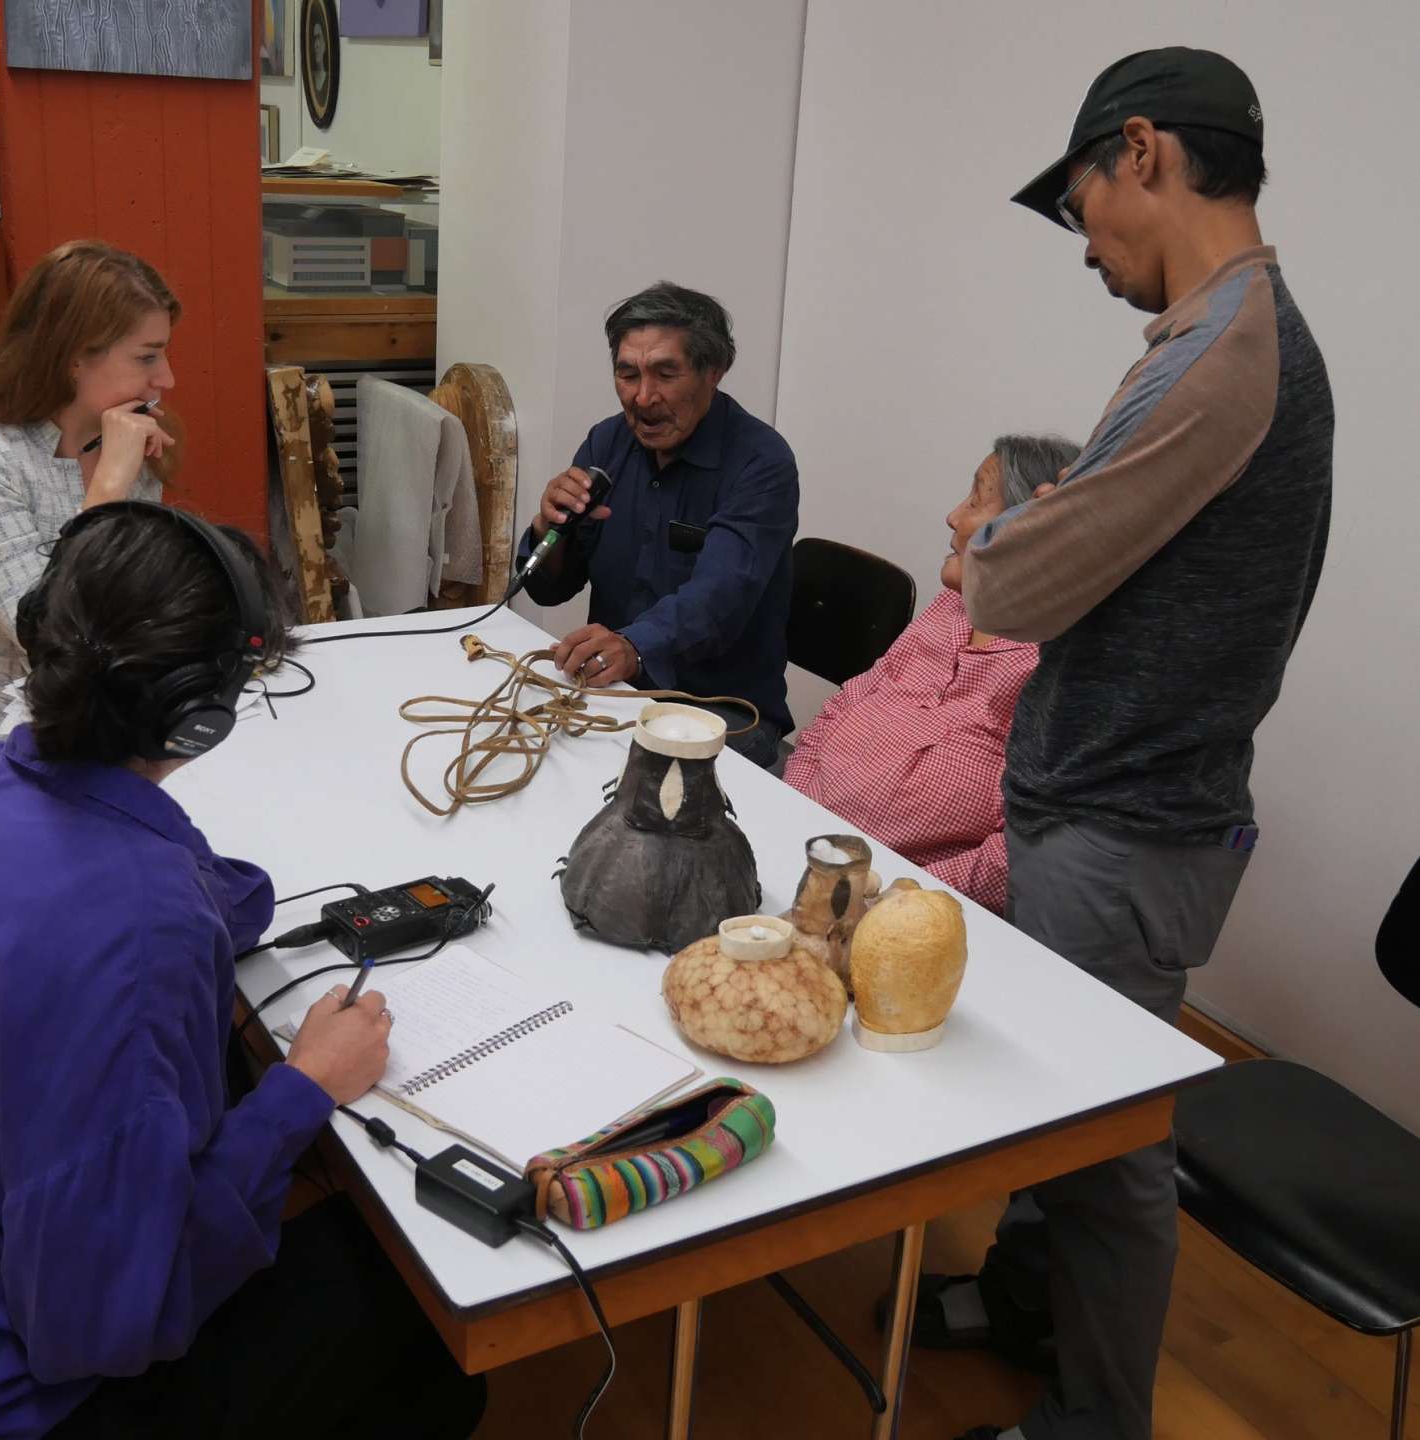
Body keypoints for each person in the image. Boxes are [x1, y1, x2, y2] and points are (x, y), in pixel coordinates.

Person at [0, 502, 486, 1440]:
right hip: (15, 1408)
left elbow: (185, 889)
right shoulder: (139, 929)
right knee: (416, 1302)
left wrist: (183, 887)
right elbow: (109, 1319)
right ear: (202, 715)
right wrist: (303, 1089)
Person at [944, 49, 1334, 1440]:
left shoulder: (1224, 357)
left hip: (1126, 829)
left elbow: (1013, 586)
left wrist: (990, 537)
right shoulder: (1212, 339)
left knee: (1107, 1155)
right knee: (1062, 1117)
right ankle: (1023, 1302)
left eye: (1081, 205)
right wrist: (1019, 534)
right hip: (1108, 807)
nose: (1086, 246)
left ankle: (1093, 1424)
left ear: (1145, 154)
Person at [784, 434, 1078, 914]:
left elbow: (1018, 851)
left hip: (903, 902)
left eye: (977, 501)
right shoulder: (953, 607)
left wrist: (898, 895)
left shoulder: (1052, 670)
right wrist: (793, 805)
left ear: (1033, 530)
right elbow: (848, 701)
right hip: (806, 836)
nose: (953, 516)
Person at [516, 281, 800, 767]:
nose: (643, 398)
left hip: (718, 715)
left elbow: (719, 598)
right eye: (628, 374)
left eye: (666, 374)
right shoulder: (607, 443)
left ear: (715, 371)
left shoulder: (761, 462)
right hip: (617, 694)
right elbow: (549, 590)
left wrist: (633, 645)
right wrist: (549, 530)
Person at [0, 239, 182, 752]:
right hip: (10, 746)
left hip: (118, 726)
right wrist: (108, 487)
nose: (166, 378)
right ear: (73, 357)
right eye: (146, 356)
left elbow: (135, 607)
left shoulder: (128, 436)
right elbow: (47, 637)